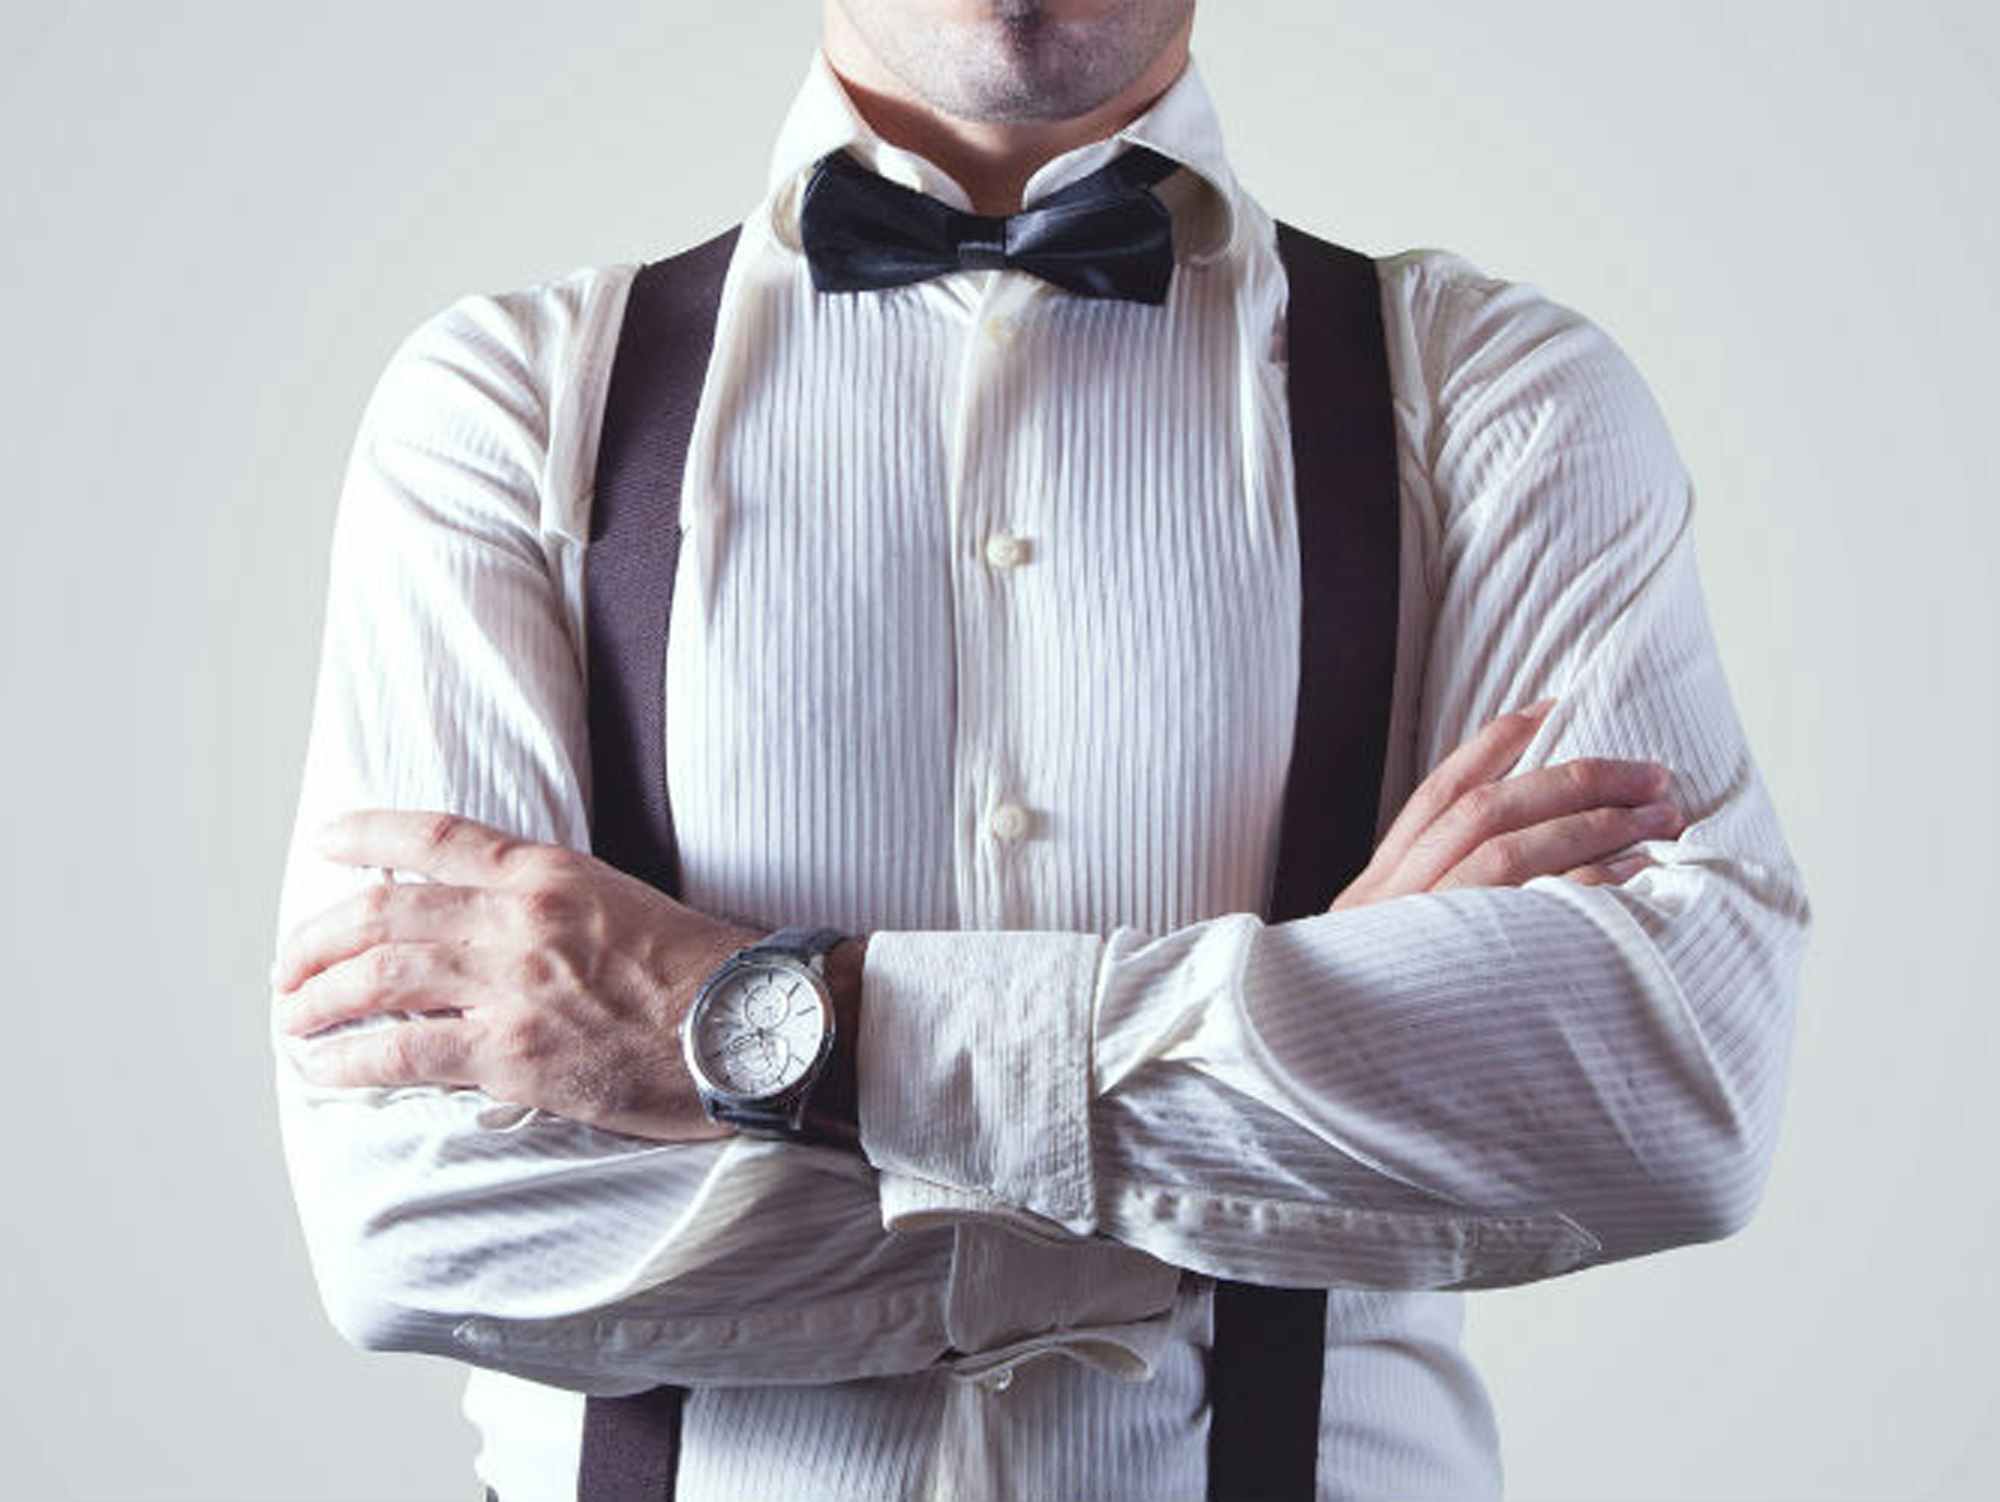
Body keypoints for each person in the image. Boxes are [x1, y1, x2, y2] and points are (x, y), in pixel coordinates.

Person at [265, 2, 1813, 1498]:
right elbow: (420, 1218)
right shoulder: (510, 409)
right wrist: (1294, 1094)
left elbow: (1665, 1096)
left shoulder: (1494, 400)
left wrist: (753, 1031)